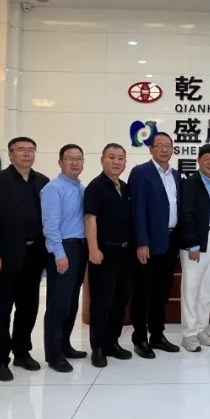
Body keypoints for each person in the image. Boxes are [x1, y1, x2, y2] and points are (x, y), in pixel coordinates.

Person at [0, 136, 49, 382]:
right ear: (10, 154)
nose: (27, 154)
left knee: (28, 307)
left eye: (31, 150)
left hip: (35, 253)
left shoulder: (43, 181)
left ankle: (22, 352)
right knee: (2, 308)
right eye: (21, 150)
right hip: (6, 255)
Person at [128, 132, 182, 358]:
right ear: (151, 149)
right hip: (148, 244)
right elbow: (137, 210)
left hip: (170, 242)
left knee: (162, 292)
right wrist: (142, 242)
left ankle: (157, 335)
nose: (164, 149)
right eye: (159, 145)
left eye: (168, 145)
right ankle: (140, 338)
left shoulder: (176, 175)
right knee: (143, 292)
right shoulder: (141, 173)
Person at [84, 144, 136, 368]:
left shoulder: (125, 188)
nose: (116, 162)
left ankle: (112, 343)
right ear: (102, 160)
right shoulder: (95, 187)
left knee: (120, 301)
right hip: (104, 253)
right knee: (101, 301)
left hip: (126, 253)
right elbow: (90, 219)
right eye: (112, 157)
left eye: (120, 158)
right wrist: (93, 249)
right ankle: (98, 348)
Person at [41, 144, 89, 372]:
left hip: (80, 248)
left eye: (79, 158)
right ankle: (54, 355)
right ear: (60, 162)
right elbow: (50, 226)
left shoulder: (81, 188)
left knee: (71, 301)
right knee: (58, 304)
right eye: (70, 158)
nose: (75, 163)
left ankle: (65, 345)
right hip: (63, 249)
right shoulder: (53, 188)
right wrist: (59, 254)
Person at [177, 144, 210, 352]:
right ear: (199, 160)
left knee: (208, 288)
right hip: (197, 242)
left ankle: (200, 329)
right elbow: (186, 214)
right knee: (191, 288)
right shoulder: (191, 183)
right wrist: (192, 243)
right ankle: (188, 333)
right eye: (207, 158)